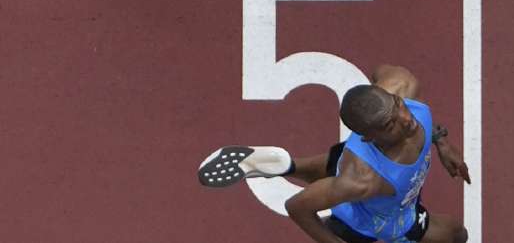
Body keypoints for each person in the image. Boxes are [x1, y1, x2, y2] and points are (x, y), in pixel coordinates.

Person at [198, 64, 470, 243]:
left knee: (459, 235)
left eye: (397, 105)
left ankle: (287, 165)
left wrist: (440, 141)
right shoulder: (361, 180)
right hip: (370, 225)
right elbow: (297, 207)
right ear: (369, 136)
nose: (406, 119)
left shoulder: (403, 86)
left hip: (370, 165)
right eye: (390, 123)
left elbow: (380, 73)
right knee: (456, 236)